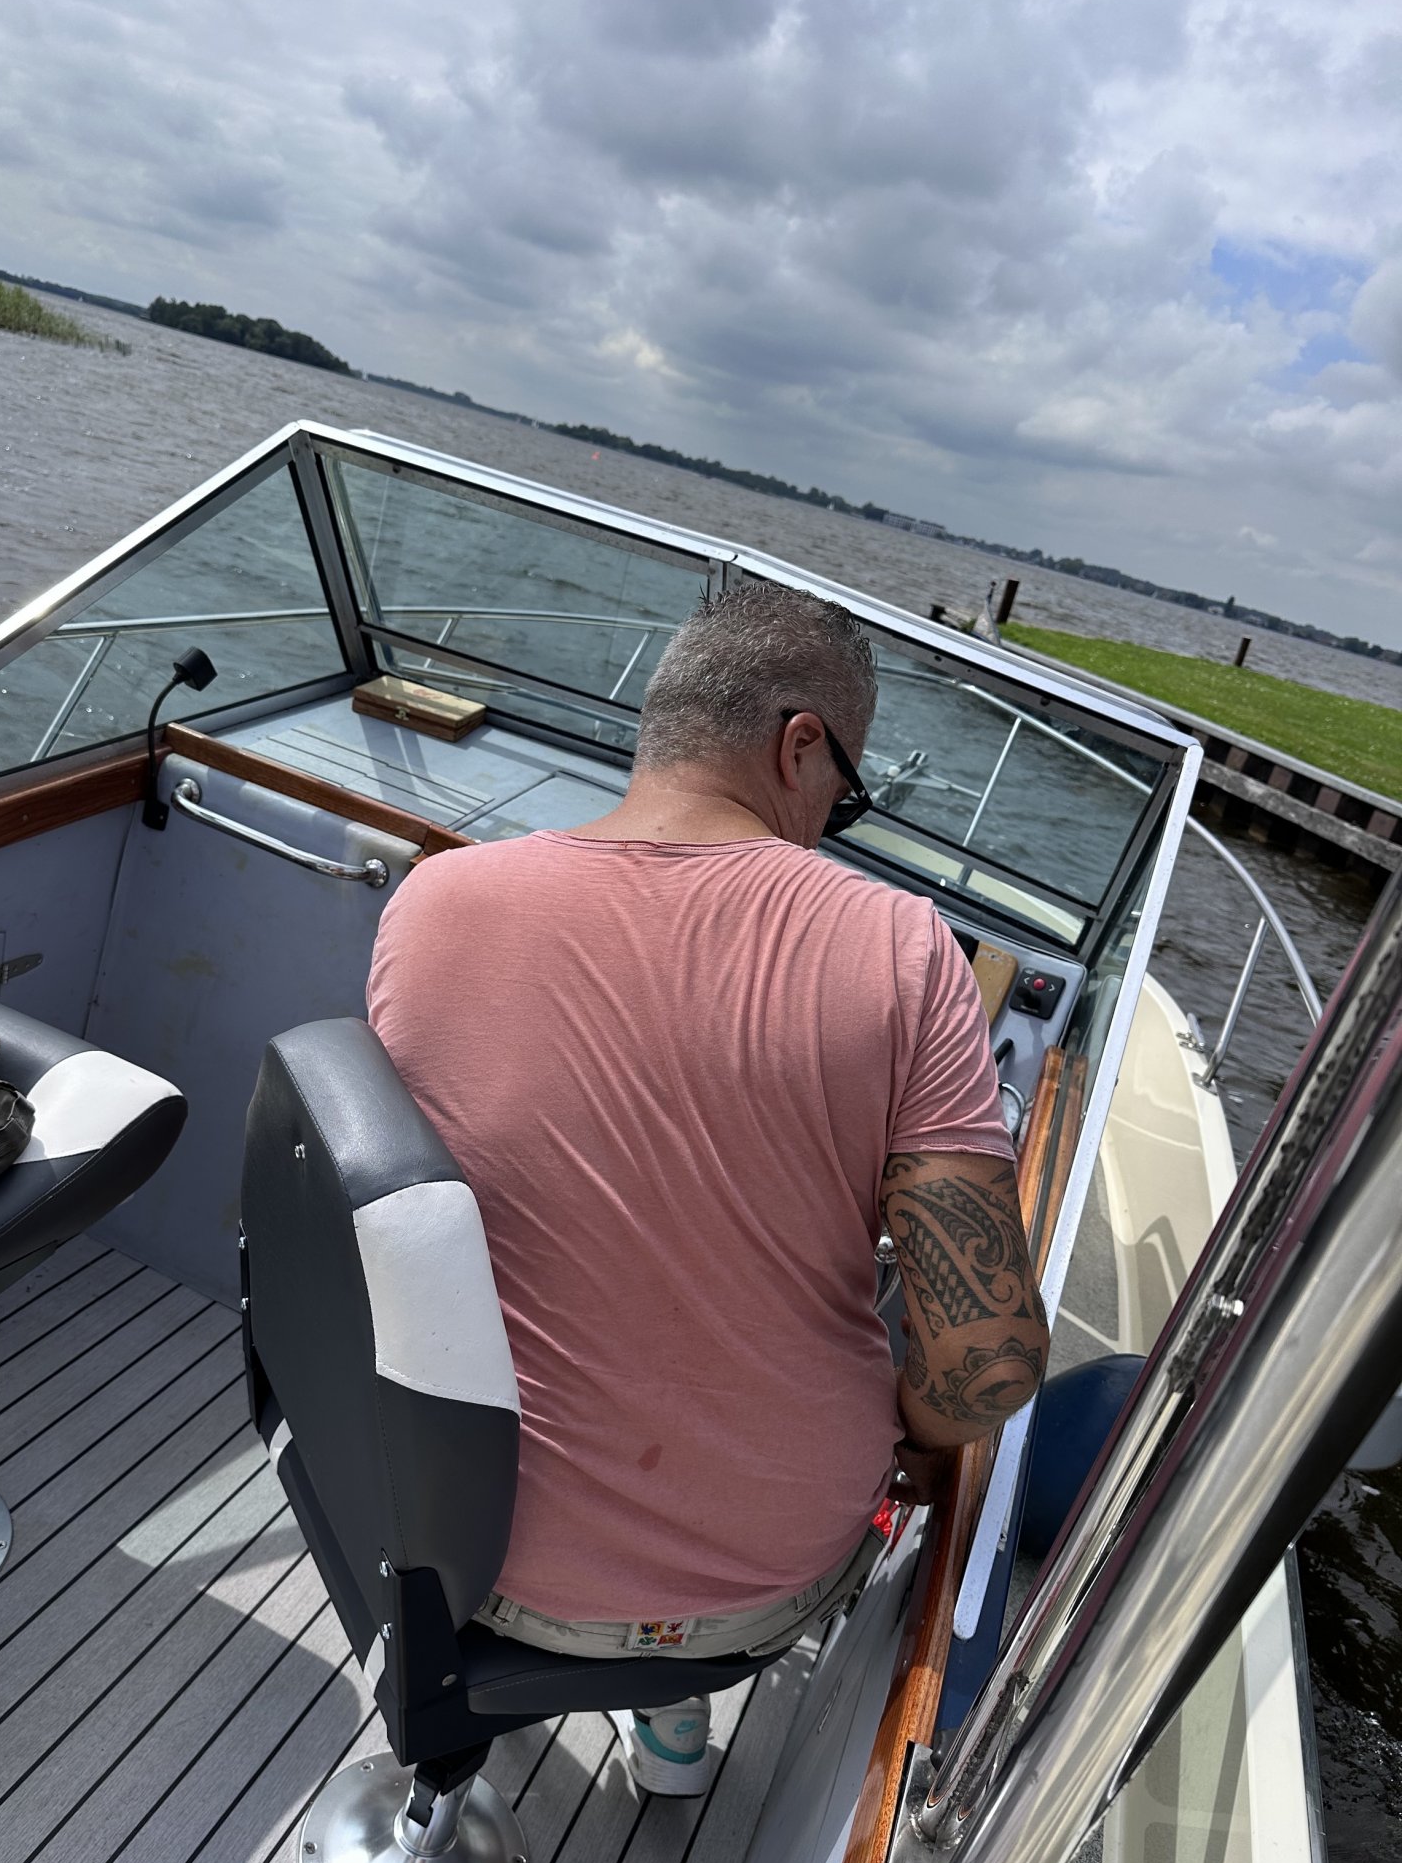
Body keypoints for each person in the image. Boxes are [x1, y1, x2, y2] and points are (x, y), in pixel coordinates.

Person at [366, 580, 1048, 1795]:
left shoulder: (435, 900)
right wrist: (907, 1428)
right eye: (847, 791)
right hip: (748, 1592)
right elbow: (986, 1364)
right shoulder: (905, 953)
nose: (833, 820)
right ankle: (670, 1702)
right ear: (800, 745)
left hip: (449, 1542)